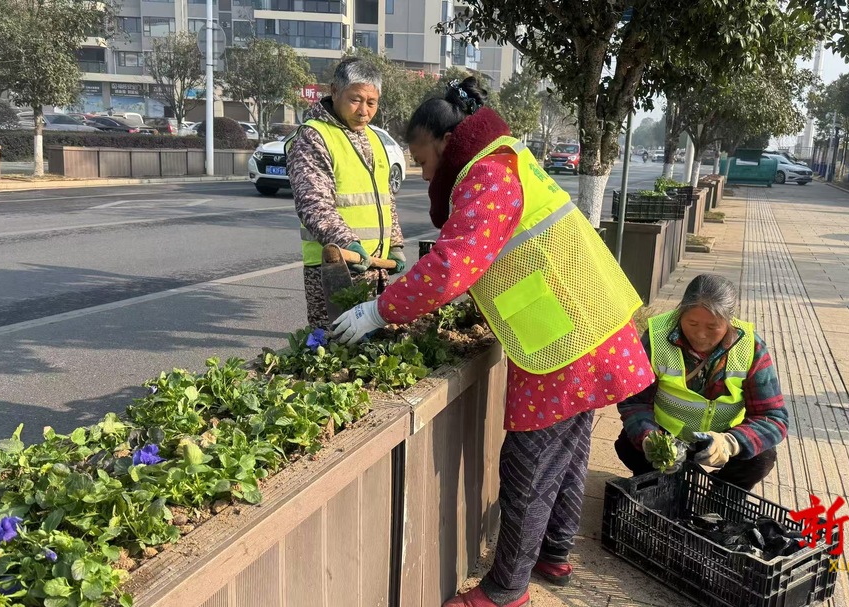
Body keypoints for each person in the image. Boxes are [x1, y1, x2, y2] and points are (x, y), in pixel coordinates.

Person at [331, 78, 654, 607]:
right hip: (587, 321)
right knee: (568, 450)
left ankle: (506, 590)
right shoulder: (504, 159)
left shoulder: (488, 173)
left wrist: (379, 310)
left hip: (563, 338)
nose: (424, 172)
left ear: (442, 141)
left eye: (422, 158)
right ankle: (553, 551)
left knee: (528, 465)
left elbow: (454, 263)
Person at [615, 273, 788, 491]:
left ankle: (724, 490)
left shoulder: (751, 347)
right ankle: (663, 483)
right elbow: (634, 401)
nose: (700, 335)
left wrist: (731, 443)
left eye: (712, 327)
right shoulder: (657, 336)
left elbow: (773, 417)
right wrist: (649, 438)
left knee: (761, 456)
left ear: (729, 322)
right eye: (692, 323)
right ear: (680, 314)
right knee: (629, 446)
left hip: (720, 437)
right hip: (669, 435)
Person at [286, 57, 406, 329]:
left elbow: (386, 199)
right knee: (335, 345)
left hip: (376, 268)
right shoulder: (313, 137)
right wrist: (348, 243)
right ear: (335, 91)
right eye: (356, 100)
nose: (364, 111)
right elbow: (313, 204)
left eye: (371, 102)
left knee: (374, 346)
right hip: (335, 269)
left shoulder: (374, 138)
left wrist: (395, 243)